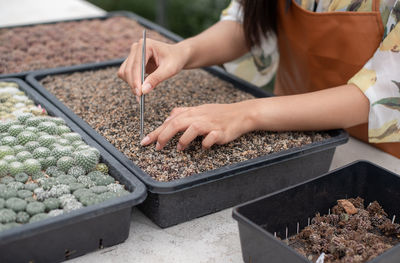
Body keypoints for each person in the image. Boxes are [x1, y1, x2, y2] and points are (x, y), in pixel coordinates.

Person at [118, 0, 400, 158]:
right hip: (293, 134)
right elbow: (248, 21)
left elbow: (385, 89)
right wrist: (183, 51)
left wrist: (246, 113)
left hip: (377, 154)